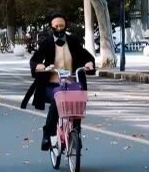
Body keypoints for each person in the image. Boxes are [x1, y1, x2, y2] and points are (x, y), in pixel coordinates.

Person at [21, 12, 95, 151]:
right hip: (51, 85)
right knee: (58, 98)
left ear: (65, 25)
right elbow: (35, 60)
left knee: (78, 101)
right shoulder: (46, 43)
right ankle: (47, 132)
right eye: (56, 26)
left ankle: (76, 132)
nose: (59, 28)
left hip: (72, 84)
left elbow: (86, 56)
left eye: (61, 25)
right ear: (52, 27)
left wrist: (89, 63)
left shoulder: (73, 41)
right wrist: (40, 66)